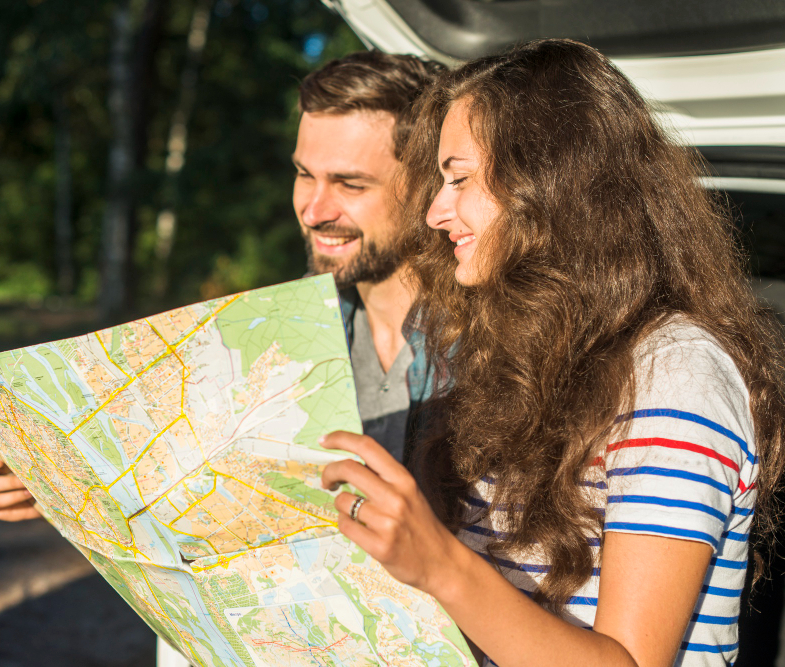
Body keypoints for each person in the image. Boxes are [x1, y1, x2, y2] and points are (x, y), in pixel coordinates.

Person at [0, 51, 445, 665]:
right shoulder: (280, 339)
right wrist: (51, 480)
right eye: (304, 174)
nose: (314, 209)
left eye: (350, 184)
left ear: (431, 186)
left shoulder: (500, 346)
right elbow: (200, 507)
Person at [320, 39, 785, 667]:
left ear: (550, 182)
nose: (434, 212)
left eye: (458, 178)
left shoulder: (676, 371)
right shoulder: (523, 360)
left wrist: (441, 565)